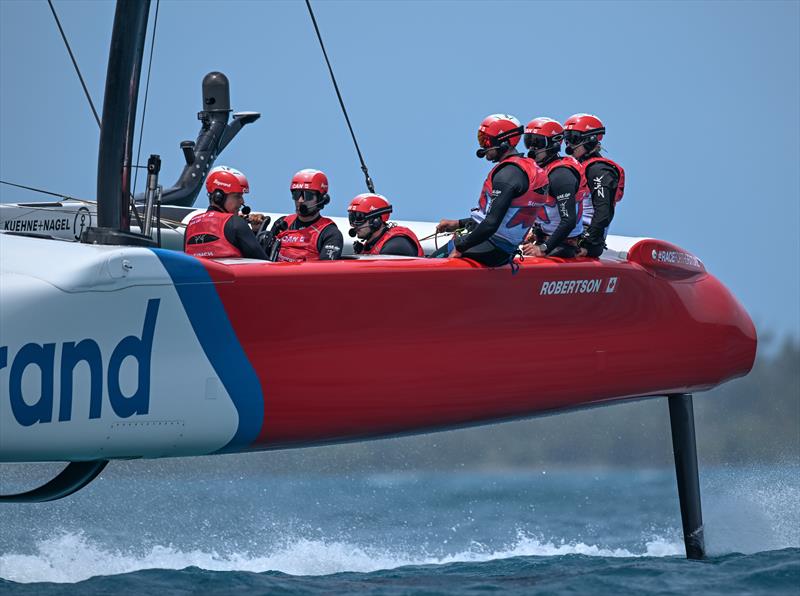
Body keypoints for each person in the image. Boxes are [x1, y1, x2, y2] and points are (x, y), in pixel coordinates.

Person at [436, 114, 548, 267]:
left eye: (486, 141)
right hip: (502, 249)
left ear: (504, 142)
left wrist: (460, 246)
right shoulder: (523, 168)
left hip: (492, 248)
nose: (483, 146)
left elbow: (491, 224)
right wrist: (457, 223)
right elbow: (501, 216)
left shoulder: (507, 174)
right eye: (481, 140)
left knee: (433, 258)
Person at [521, 117, 586, 258]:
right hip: (543, 239)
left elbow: (569, 221)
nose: (532, 148)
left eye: (537, 142)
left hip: (563, 246)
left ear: (554, 144)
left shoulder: (561, 175)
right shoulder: (541, 171)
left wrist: (543, 248)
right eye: (529, 142)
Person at [563, 113, 625, 258]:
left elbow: (603, 212)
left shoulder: (599, 169)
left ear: (591, 139)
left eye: (573, 138)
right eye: (566, 139)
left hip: (583, 240)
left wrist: (587, 243)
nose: (569, 145)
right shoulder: (577, 167)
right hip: (568, 233)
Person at [184, 165, 268, 259]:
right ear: (218, 197)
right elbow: (265, 265)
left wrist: (255, 232)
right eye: (237, 196)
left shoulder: (191, 225)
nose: (242, 202)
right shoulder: (235, 223)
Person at [272, 169, 343, 262]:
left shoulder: (330, 233)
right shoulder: (283, 223)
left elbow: (326, 271)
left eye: (307, 195)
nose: (300, 200)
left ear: (321, 199)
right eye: (296, 194)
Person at [347, 193, 423, 256]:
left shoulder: (397, 244)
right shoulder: (369, 247)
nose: (354, 224)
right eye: (352, 218)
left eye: (359, 217)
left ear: (376, 221)